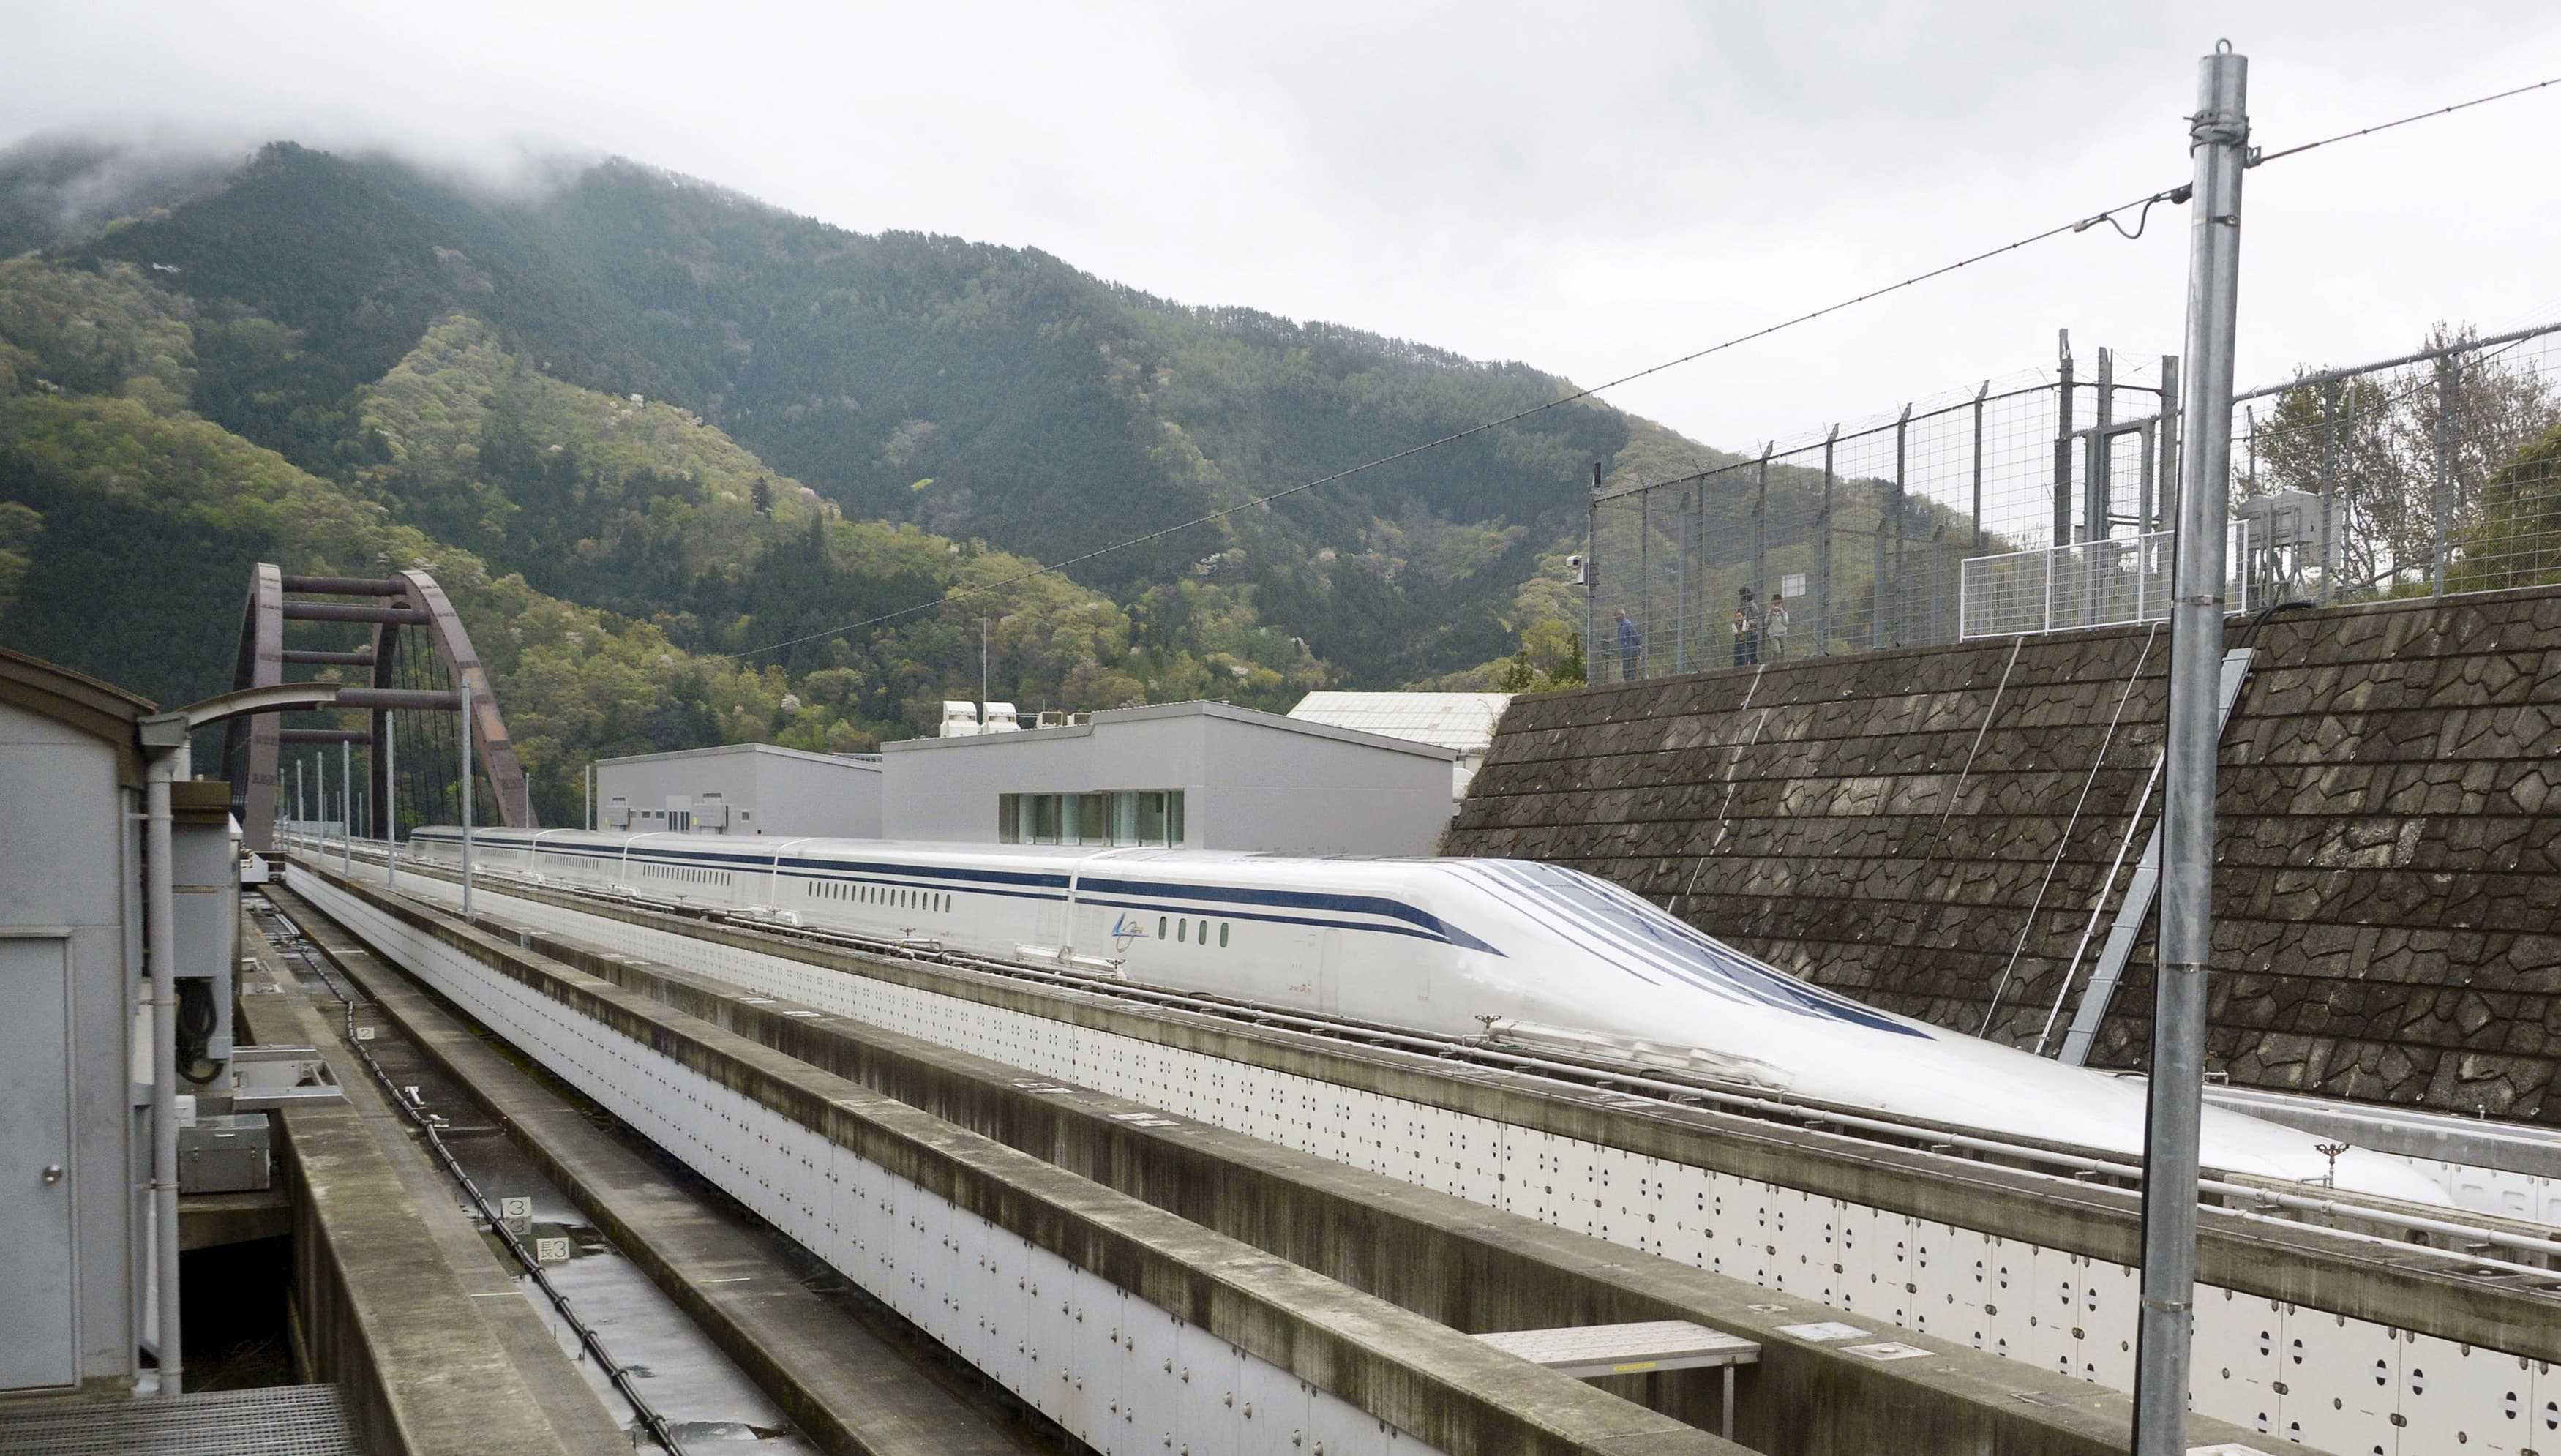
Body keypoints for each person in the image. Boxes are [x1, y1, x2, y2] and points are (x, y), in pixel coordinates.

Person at [1736, 585, 1763, 665]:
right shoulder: (1741, 606)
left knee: (1752, 653)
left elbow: (1757, 619)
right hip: (1743, 633)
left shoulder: (1752, 605)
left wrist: (1748, 622)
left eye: (1741, 595)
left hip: (1752, 633)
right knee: (1743, 653)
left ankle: (1754, 666)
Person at [1613, 608, 1642, 680]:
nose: (1615, 618)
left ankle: (1631, 686)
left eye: (1616, 615)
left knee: (1630, 671)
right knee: (1626, 671)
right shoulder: (1622, 626)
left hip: (1631, 651)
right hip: (1626, 653)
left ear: (1622, 615)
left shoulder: (1628, 625)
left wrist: (1638, 646)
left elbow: (1636, 636)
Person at [1764, 592, 1791, 661]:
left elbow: (1786, 623)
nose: (1776, 606)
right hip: (1773, 634)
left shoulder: (1784, 613)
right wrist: (1771, 613)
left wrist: (1782, 613)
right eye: (1774, 604)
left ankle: (1783, 664)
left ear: (1781, 604)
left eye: (1778, 604)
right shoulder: (1770, 613)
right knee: (1777, 651)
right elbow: (1766, 622)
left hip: (1783, 633)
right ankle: (1775, 664)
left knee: (1784, 652)